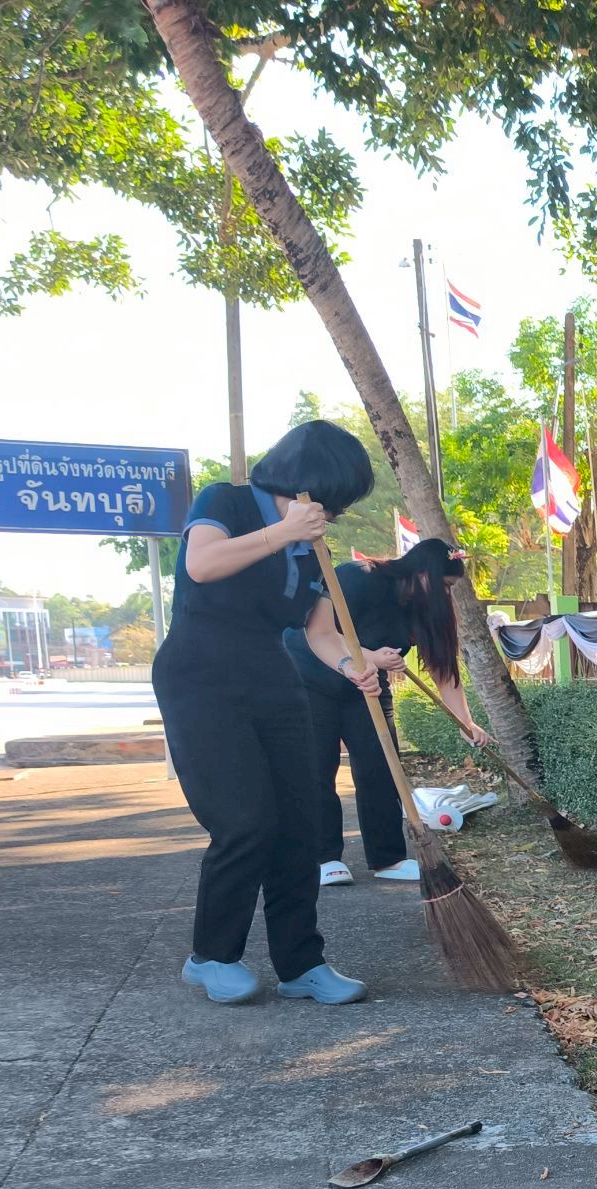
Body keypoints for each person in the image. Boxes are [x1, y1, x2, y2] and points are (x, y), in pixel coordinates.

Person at [151, 420, 377, 1006]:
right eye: (337, 495)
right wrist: (281, 532)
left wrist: (353, 664)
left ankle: (302, 964)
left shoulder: (315, 543)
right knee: (245, 821)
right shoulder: (223, 500)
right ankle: (211, 956)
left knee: (302, 823)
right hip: (199, 674)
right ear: (314, 478)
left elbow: (321, 632)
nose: (335, 510)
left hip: (272, 675)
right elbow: (202, 565)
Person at [286, 537, 492, 886]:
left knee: (381, 766)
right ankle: (323, 857)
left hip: (367, 689)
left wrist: (465, 722)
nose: (447, 595)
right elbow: (320, 632)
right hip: (311, 678)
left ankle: (388, 857)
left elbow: (444, 670)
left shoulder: (424, 610)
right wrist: (369, 657)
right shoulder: (359, 576)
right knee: (318, 767)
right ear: (424, 573)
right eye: (445, 585)